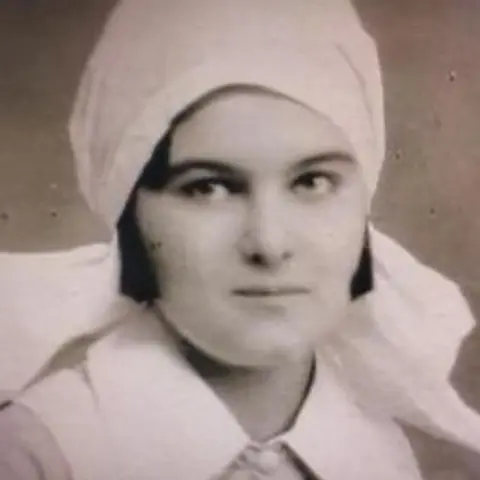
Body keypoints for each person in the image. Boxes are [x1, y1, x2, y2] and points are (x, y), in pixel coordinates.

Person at [1, 0, 480, 478]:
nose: (269, 244)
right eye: (207, 187)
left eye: (312, 182)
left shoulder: (392, 454)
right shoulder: (38, 457)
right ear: (130, 213)